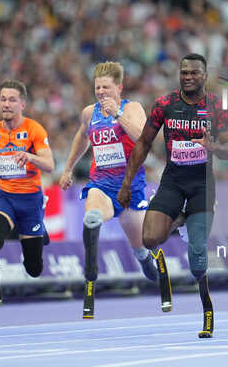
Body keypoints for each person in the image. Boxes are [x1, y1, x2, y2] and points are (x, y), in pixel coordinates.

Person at [118, 54, 228, 338]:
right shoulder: (165, 105)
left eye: (194, 73)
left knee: (197, 259)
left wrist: (213, 146)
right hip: (173, 180)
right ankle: (180, 219)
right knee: (149, 238)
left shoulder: (216, 107)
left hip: (202, 184)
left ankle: (207, 312)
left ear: (204, 76)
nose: (187, 77)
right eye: (184, 72)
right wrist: (126, 182)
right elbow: (144, 143)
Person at [59, 61, 158, 319]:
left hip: (129, 189)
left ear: (119, 88)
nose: (101, 92)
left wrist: (117, 115)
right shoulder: (89, 113)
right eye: (97, 87)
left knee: (140, 248)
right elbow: (82, 138)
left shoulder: (132, 108)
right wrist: (68, 168)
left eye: (106, 87)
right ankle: (91, 277)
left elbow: (144, 139)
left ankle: (144, 258)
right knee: (91, 219)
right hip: (100, 184)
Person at [0, 79, 54, 312]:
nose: (6, 104)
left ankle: (38, 230)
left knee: (34, 269)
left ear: (22, 104)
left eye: (12, 100)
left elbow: (49, 164)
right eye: (3, 99)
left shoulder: (34, 130)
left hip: (31, 201)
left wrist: (30, 157)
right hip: (6, 197)